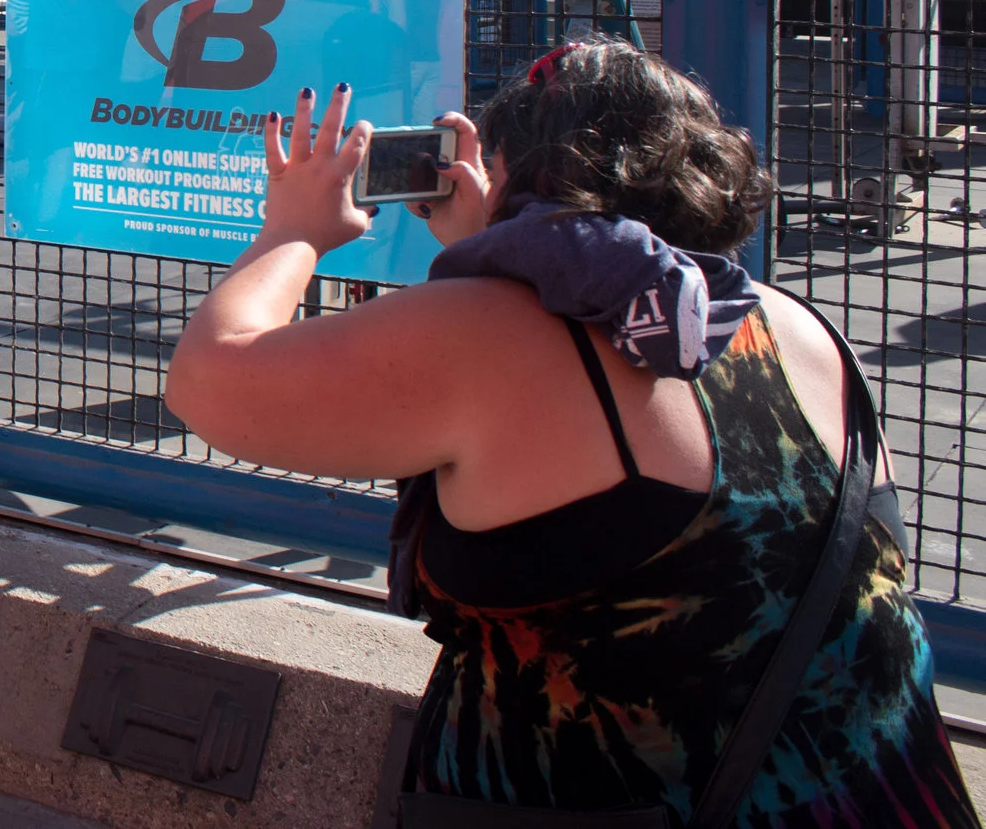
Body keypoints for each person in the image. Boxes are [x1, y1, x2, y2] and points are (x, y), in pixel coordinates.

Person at [166, 46, 980, 823]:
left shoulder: (490, 335)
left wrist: (296, 228)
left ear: (527, 177)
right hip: (895, 795)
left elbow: (209, 381)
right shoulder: (793, 325)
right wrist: (487, 240)